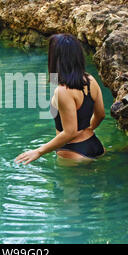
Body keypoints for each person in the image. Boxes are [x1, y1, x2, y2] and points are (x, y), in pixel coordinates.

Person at [15, 33, 106, 165]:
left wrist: (38, 151)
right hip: (95, 145)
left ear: (55, 58)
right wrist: (88, 129)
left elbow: (70, 132)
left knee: (65, 185)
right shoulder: (90, 79)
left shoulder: (62, 91)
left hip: (73, 151)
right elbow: (101, 114)